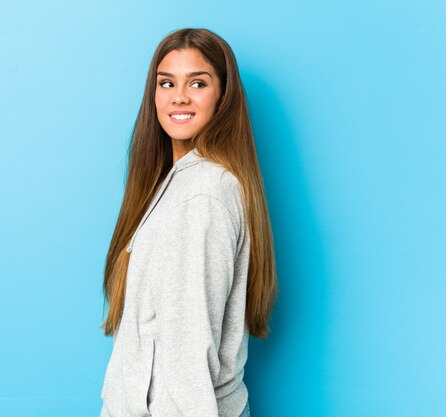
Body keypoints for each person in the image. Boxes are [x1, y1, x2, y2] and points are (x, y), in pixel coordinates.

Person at [99, 28, 277, 417]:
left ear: (223, 97)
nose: (179, 96)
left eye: (198, 82)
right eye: (167, 83)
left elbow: (188, 352)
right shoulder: (177, 183)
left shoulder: (203, 195)